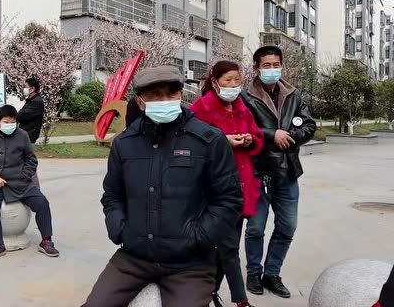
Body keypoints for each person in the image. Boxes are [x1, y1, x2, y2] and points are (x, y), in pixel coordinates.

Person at [84, 65, 243, 307]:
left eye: (171, 93)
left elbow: (229, 199)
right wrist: (120, 229)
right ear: (140, 102)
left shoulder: (209, 140)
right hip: (133, 259)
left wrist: (199, 237)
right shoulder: (124, 144)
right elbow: (113, 195)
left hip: (190, 264)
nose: (165, 100)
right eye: (155, 95)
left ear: (181, 95)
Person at [241, 46, 316, 298]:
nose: (272, 69)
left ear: (281, 66)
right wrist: (273, 135)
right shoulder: (245, 97)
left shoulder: (294, 94)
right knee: (255, 228)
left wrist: (291, 136)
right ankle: (253, 272)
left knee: (287, 227)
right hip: (257, 172)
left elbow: (308, 125)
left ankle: (272, 274)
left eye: (276, 65)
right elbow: (243, 128)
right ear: (256, 68)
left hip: (288, 171)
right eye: (267, 65)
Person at [190, 61, 264, 307]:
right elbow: (193, 141)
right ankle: (240, 301)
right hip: (214, 188)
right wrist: (223, 141)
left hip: (241, 186)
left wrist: (249, 140)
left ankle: (208, 294)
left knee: (225, 248)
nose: (233, 85)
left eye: (236, 80)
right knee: (229, 247)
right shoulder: (201, 108)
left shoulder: (243, 107)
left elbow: (258, 137)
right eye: (227, 80)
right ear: (214, 81)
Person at [0, 105, 59, 261]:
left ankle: (46, 241)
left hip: (20, 181)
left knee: (42, 202)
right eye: (6, 122)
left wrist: (24, 176)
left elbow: (31, 160)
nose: (10, 125)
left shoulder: (22, 135)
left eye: (13, 122)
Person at [17, 77, 44, 144]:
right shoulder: (31, 100)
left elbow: (22, 115)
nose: (24, 89)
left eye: (25, 87)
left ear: (32, 89)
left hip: (29, 135)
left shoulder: (36, 102)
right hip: (26, 134)